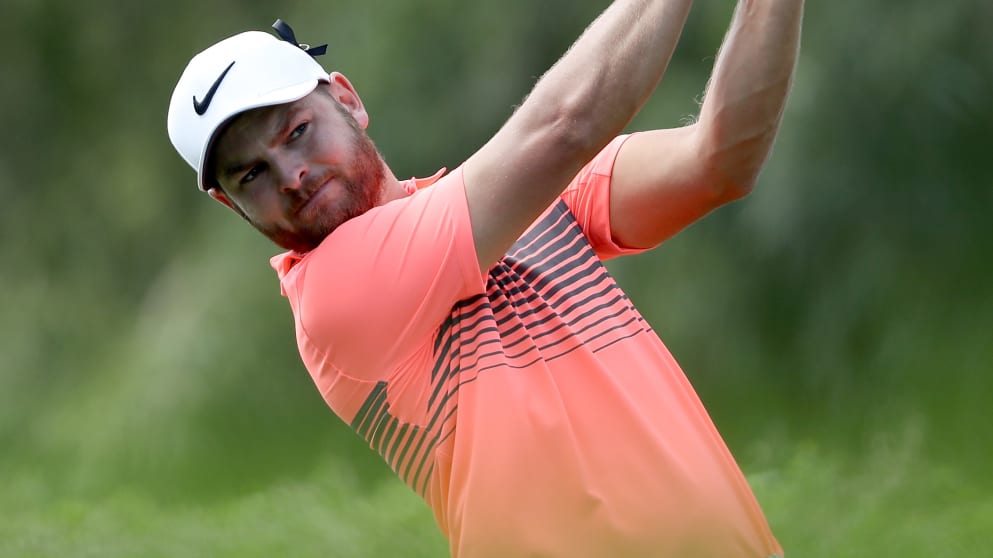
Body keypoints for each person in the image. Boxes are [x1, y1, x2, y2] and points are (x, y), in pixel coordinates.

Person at [167, 1, 803, 556]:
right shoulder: (333, 296)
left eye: (297, 132)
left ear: (349, 100)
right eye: (251, 175)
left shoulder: (509, 204)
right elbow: (565, 125)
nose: (291, 175)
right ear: (232, 205)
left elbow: (721, 160)